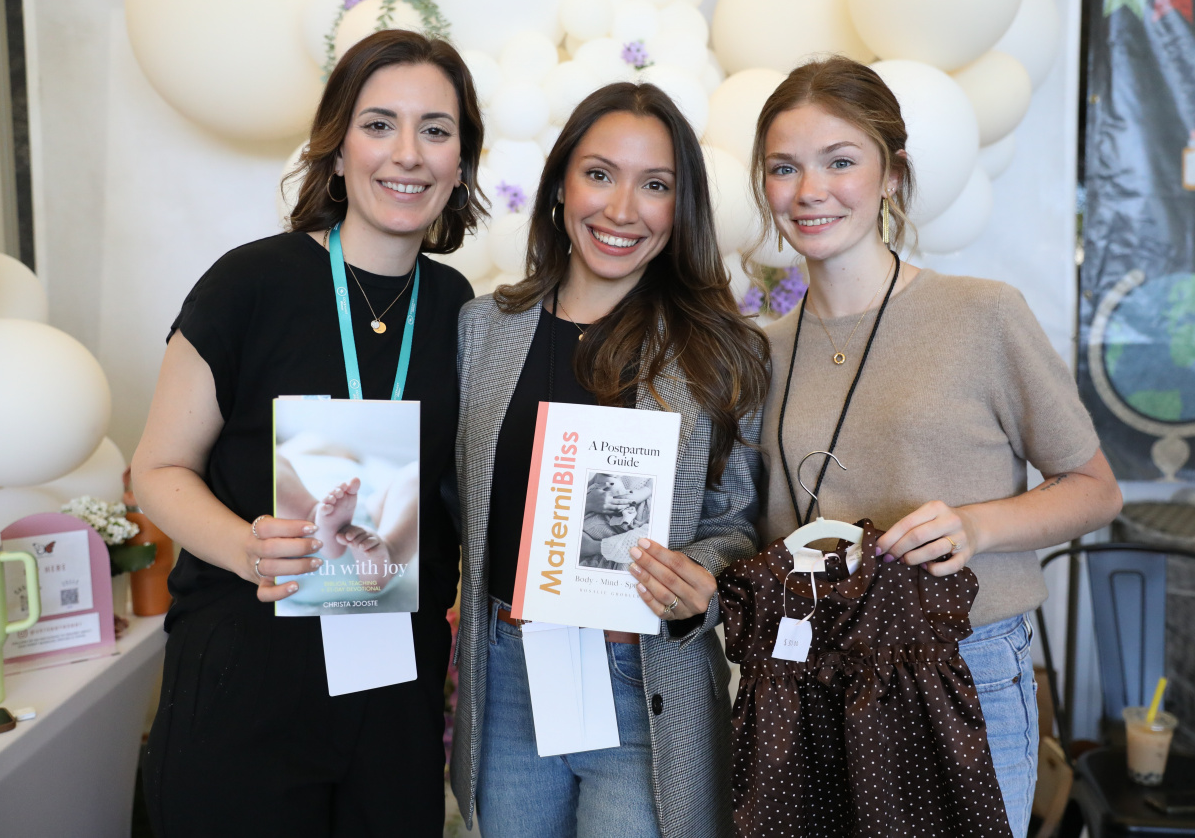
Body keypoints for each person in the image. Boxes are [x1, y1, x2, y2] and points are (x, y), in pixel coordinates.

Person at [748, 56, 1123, 838]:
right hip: (811, 676)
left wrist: (975, 527)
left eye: (840, 161)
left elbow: (1095, 488)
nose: (810, 190)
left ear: (891, 174)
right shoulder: (760, 353)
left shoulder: (982, 314)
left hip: (964, 667)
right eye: (785, 167)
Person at [131, 29, 484, 837]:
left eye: (435, 129)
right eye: (379, 124)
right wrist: (246, 546)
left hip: (392, 687)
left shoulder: (459, 310)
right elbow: (158, 468)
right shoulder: (250, 284)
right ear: (336, 150)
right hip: (248, 675)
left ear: (461, 163)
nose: (408, 153)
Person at [450, 82, 771, 838]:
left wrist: (701, 581)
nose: (622, 209)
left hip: (643, 677)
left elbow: (737, 523)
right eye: (599, 174)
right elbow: (452, 500)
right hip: (512, 673)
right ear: (561, 184)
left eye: (654, 185)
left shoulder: (723, 352)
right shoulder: (481, 329)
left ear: (680, 207)